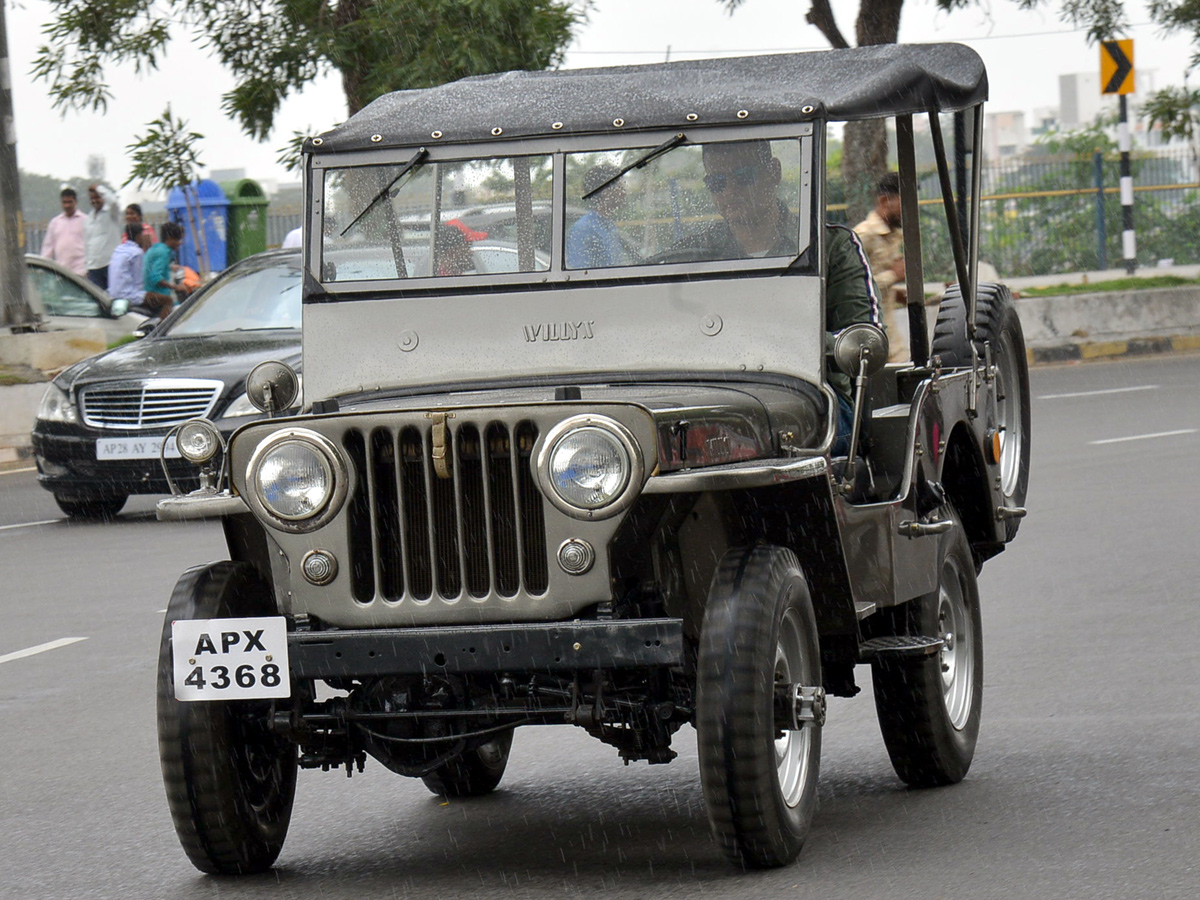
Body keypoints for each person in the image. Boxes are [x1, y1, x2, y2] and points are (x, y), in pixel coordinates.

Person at [699, 140, 881, 454]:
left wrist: (763, 342)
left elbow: (862, 343)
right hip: (712, 402)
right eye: (717, 182)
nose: (729, 192)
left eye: (743, 177)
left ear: (773, 173)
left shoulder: (830, 246)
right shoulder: (693, 254)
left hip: (813, 401)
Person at [854, 173, 908, 362]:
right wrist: (893, 275)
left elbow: (876, 283)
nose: (908, 210)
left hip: (892, 342)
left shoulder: (894, 234)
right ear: (885, 200)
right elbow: (854, 289)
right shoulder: (863, 235)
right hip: (869, 343)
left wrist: (897, 294)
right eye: (904, 203)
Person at [566, 165, 631, 268]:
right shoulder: (584, 229)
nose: (624, 192)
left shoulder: (609, 226)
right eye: (620, 187)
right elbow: (580, 274)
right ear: (605, 191)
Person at [108, 224, 175, 318]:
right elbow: (139, 281)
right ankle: (162, 327)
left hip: (113, 293)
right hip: (129, 295)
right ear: (139, 236)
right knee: (168, 300)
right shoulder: (137, 252)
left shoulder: (119, 249)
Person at [143, 221, 192, 316]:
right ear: (169, 238)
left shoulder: (157, 248)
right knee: (170, 303)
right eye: (178, 239)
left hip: (148, 290)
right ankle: (164, 327)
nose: (180, 243)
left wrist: (170, 267)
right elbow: (155, 277)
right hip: (152, 293)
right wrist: (176, 287)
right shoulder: (163, 252)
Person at [39, 188, 87, 276]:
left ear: (75, 202)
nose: (67, 205)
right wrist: (43, 268)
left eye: (70, 202)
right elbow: (48, 247)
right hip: (62, 272)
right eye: (64, 202)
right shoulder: (55, 222)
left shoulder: (85, 220)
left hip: (81, 270)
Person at [84, 182, 122, 290]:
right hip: (93, 268)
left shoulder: (111, 213)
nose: (94, 201)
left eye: (97, 197)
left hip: (110, 265)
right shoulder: (88, 218)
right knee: (98, 300)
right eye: (92, 198)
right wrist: (87, 266)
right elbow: (87, 243)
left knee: (113, 297)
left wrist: (99, 188)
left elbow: (114, 201)